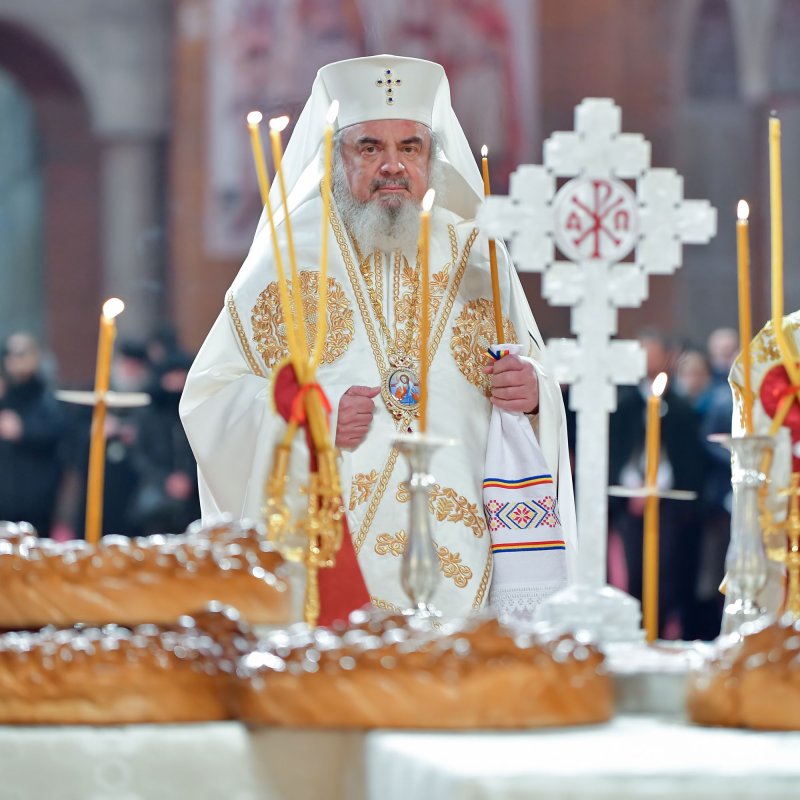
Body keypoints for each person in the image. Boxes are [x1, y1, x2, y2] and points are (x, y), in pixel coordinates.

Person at [181, 54, 576, 618]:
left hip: (467, 561)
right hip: (335, 558)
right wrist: (310, 421)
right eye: (370, 148)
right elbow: (210, 397)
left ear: (431, 158)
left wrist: (534, 393)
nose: (392, 166)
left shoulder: (479, 255)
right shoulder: (288, 259)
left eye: (409, 148)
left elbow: (533, 377)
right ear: (336, 157)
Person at [0, 332, 65, 536]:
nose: (15, 359)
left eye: (21, 353)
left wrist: (23, 431)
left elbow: (57, 432)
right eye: (9, 353)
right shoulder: (5, 394)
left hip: (36, 495)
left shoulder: (47, 394)